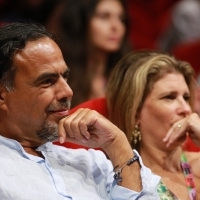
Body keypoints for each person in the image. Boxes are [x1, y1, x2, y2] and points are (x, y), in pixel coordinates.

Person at [0, 22, 160, 199]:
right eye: (47, 81)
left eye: (65, 77)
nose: (67, 91)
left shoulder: (93, 163)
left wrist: (117, 143)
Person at [106, 50, 200, 199]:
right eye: (169, 97)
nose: (186, 109)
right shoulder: (126, 182)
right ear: (135, 113)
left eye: (186, 97)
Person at [46, 0, 131, 108]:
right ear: (81, 22)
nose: (116, 26)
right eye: (104, 17)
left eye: (121, 19)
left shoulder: (125, 79)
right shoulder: (61, 79)